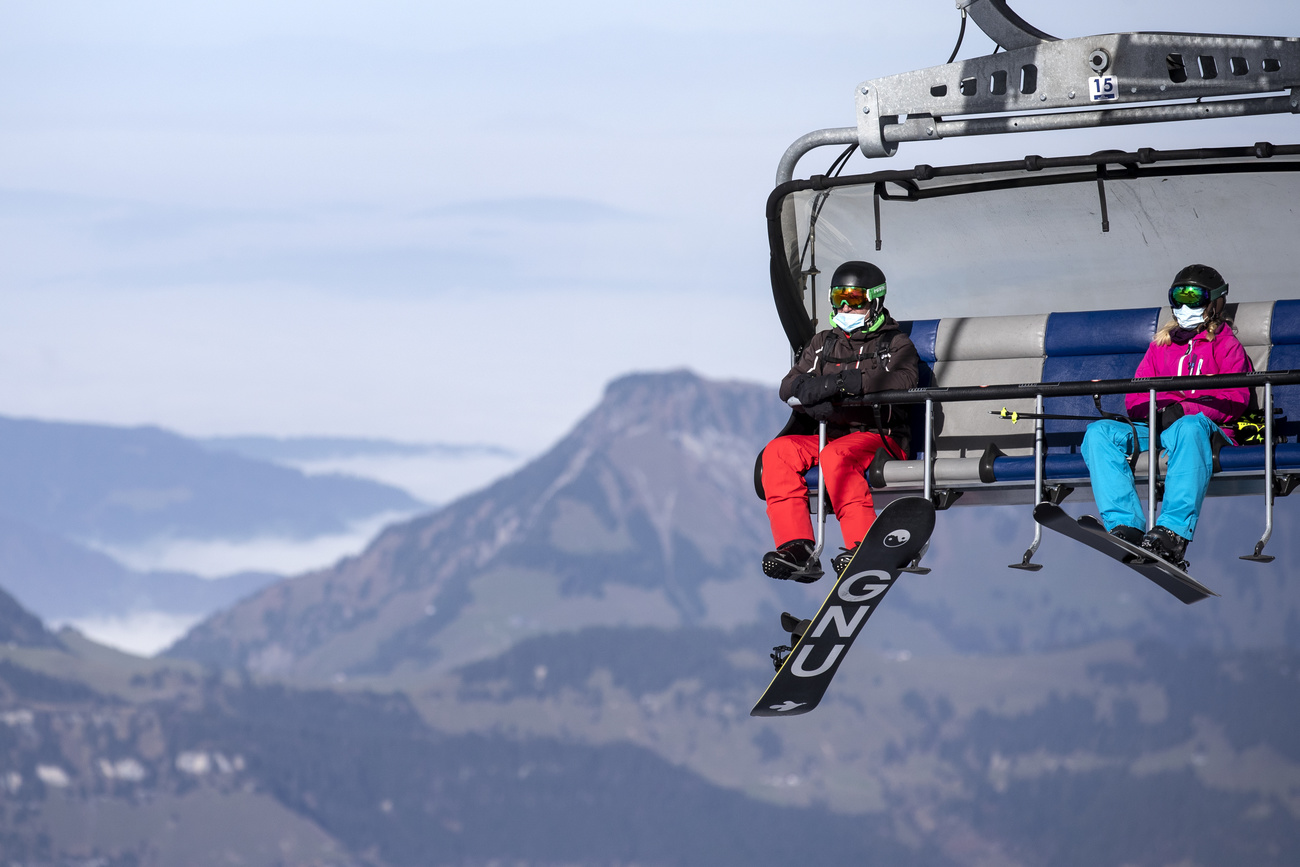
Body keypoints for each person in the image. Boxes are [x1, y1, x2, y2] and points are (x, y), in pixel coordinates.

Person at [1080, 264, 1251, 569]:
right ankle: (1126, 526)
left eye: (1194, 298)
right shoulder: (1162, 346)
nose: (1185, 307)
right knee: (1099, 433)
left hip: (1207, 430)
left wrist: (1183, 410)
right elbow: (1134, 396)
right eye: (1178, 298)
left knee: (1187, 427)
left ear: (1214, 303)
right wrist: (1153, 413)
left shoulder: (1227, 347)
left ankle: (1172, 532)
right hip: (1159, 427)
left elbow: (1235, 398)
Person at [760, 261, 919, 583]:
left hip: (879, 436)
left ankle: (863, 543)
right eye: (839, 299)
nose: (846, 307)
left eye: (855, 299)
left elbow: (902, 380)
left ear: (874, 301)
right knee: (777, 452)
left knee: (837, 456)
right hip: (829, 434)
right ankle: (797, 548)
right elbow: (789, 385)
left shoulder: (894, 344)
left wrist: (843, 385)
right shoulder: (823, 343)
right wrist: (812, 393)